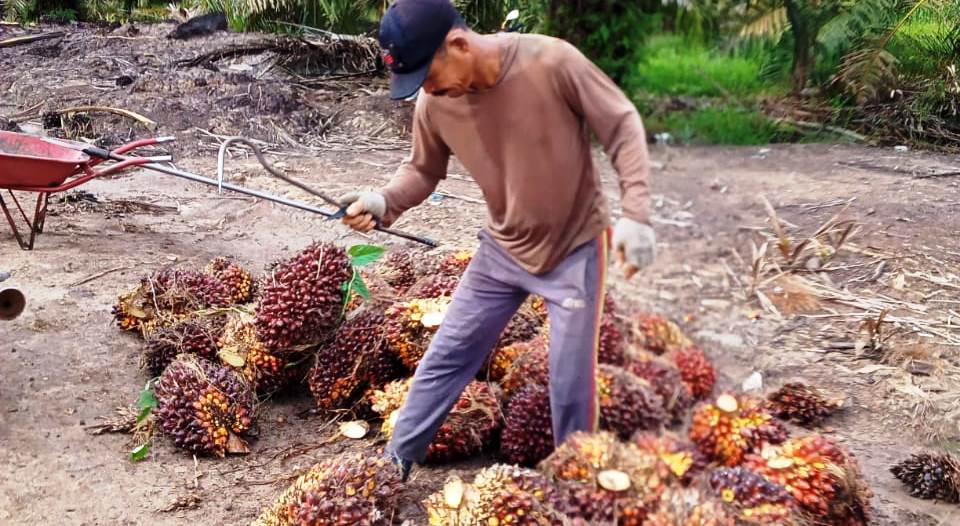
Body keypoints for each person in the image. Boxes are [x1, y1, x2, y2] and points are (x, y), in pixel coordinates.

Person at [338, 0, 656, 481]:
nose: (426, 88)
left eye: (427, 74)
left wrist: (636, 214)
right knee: (448, 353)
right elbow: (422, 170)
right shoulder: (435, 102)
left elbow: (622, 123)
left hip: (574, 248)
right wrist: (383, 201)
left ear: (458, 45)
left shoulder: (551, 62)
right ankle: (396, 462)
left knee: (569, 380)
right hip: (502, 249)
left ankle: (577, 482)